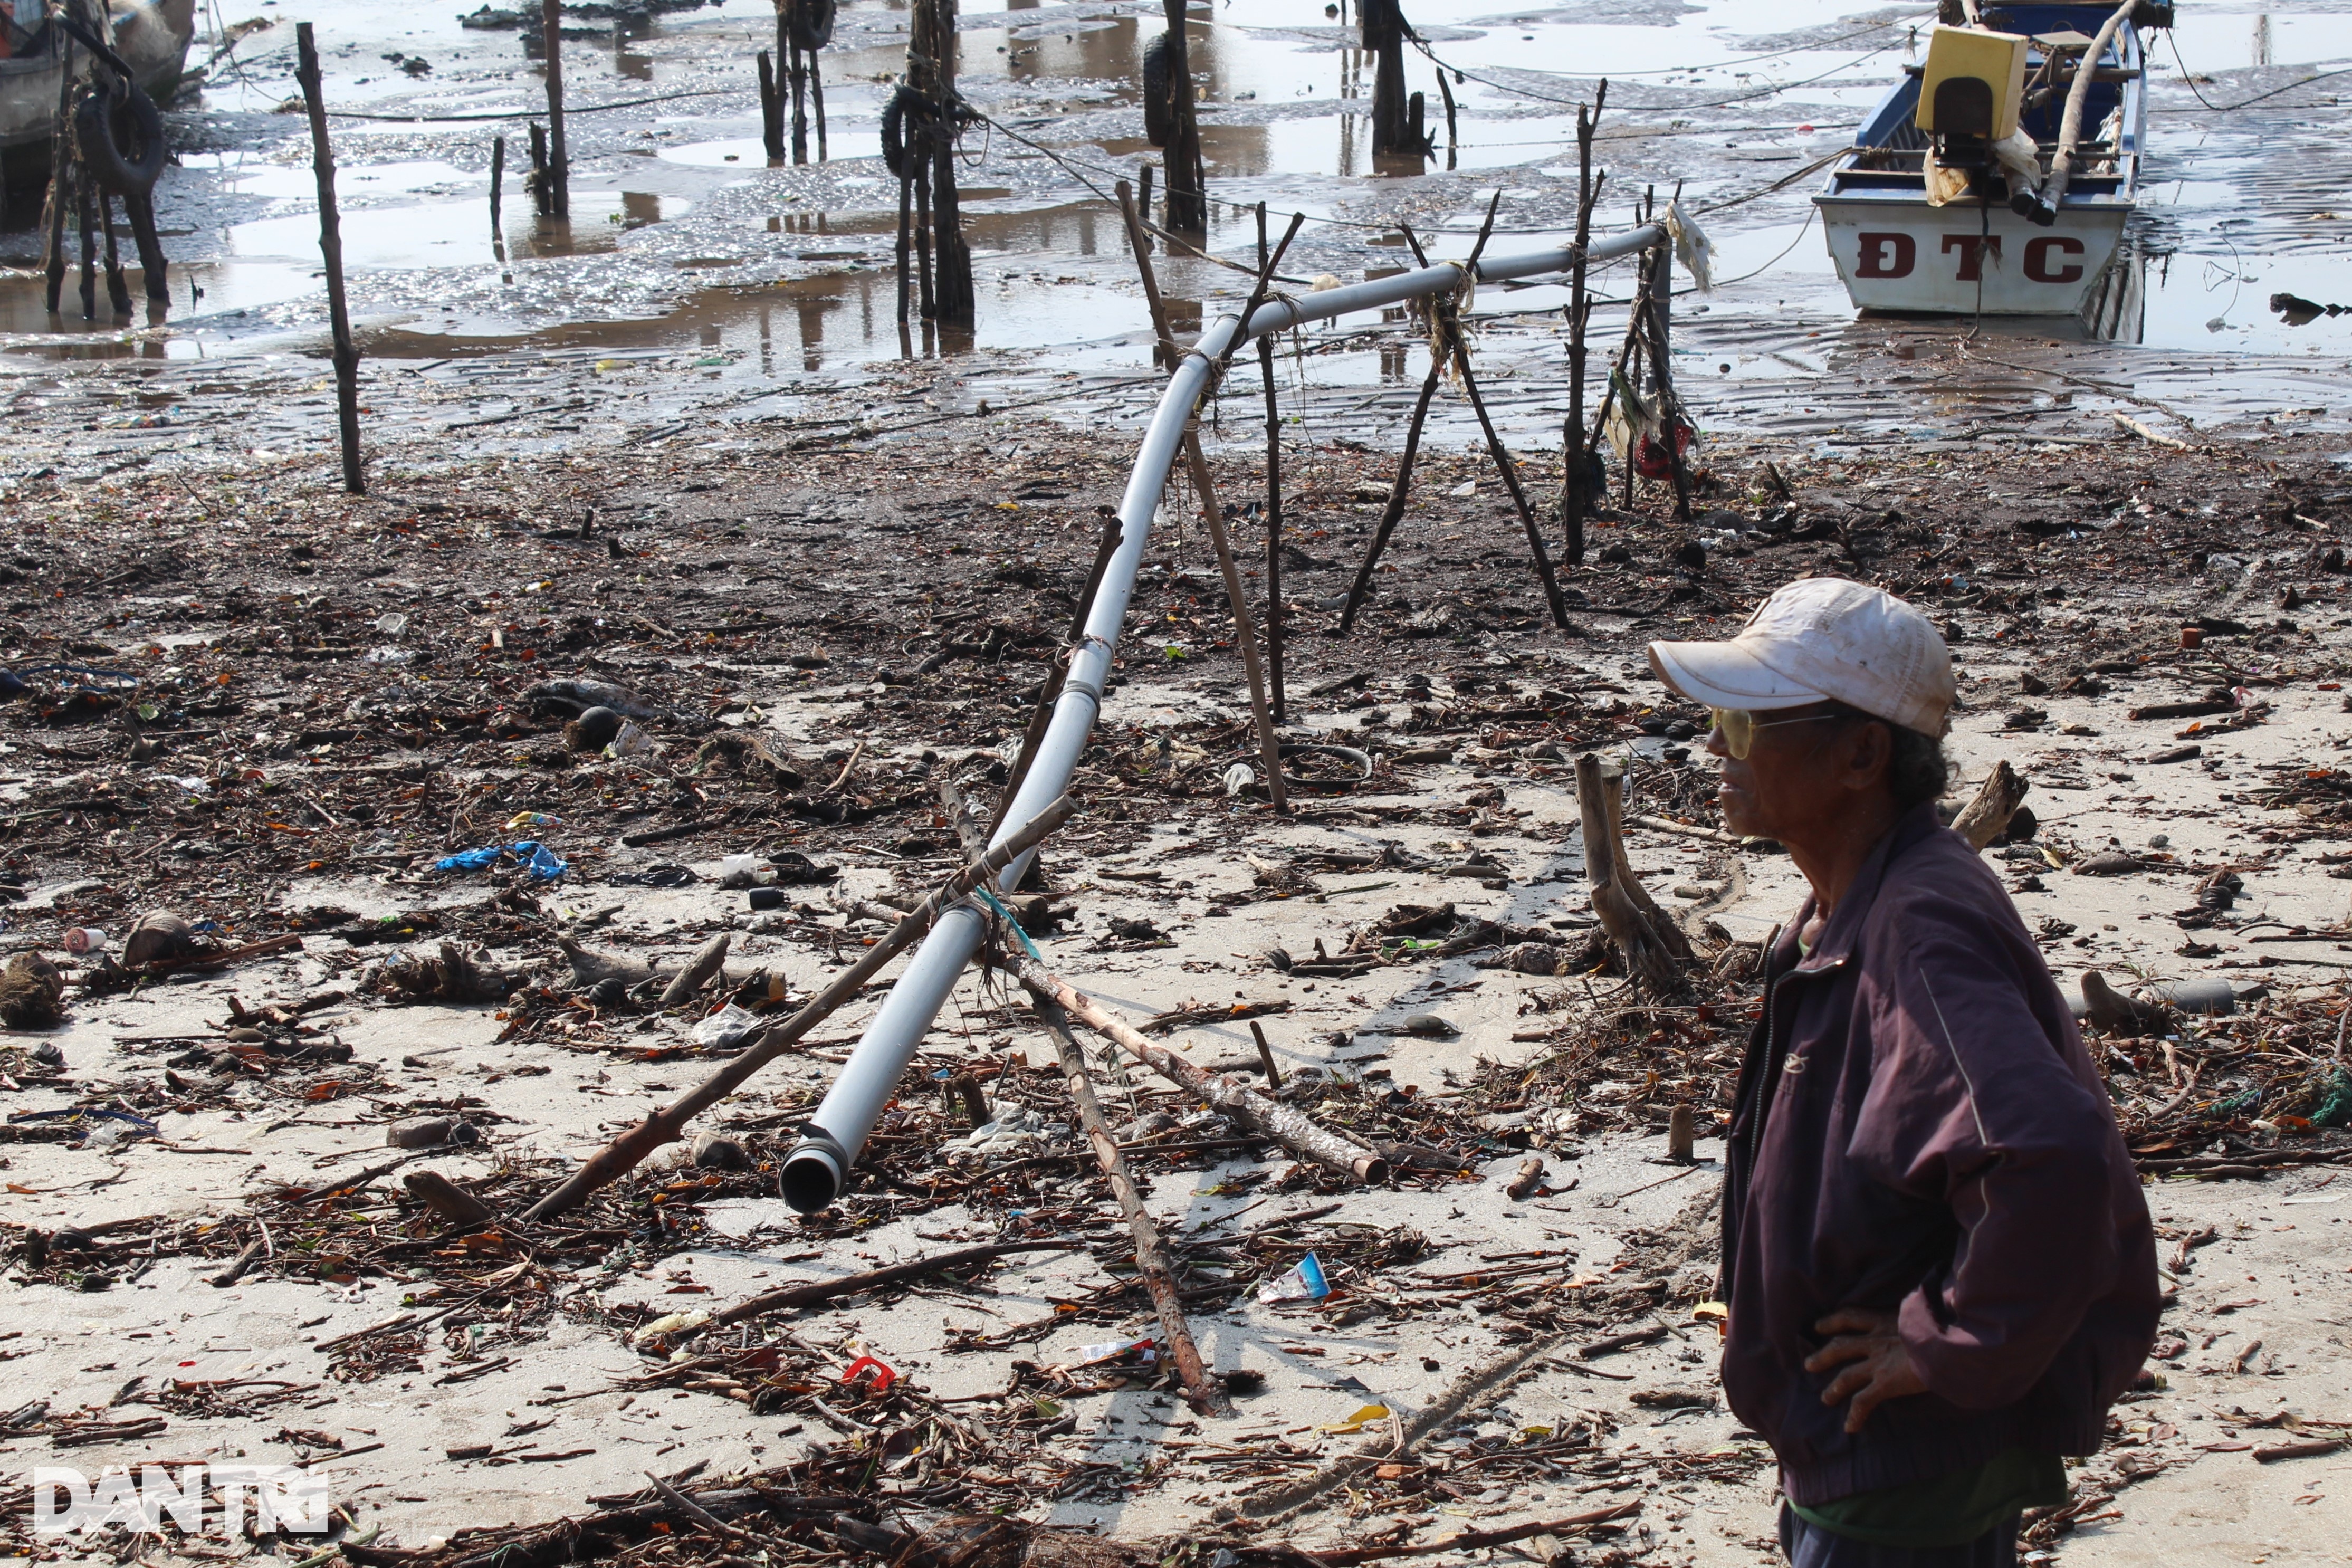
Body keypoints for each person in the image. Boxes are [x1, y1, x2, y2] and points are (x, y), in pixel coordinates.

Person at [1645, 577, 2159, 1568]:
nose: (1714, 749)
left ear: (1861, 754)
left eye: (1748, 725)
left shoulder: (1915, 927)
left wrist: (1944, 1343)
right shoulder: (1845, 908)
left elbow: (2050, 1156)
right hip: (1862, 1441)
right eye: (1718, 719)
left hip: (1902, 1457)